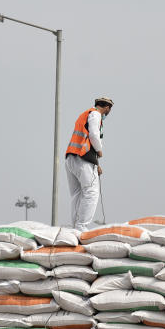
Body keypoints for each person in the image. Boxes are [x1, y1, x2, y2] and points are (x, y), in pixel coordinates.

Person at [65, 97, 113, 230]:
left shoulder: (84, 115)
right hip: (83, 159)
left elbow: (84, 140)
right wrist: (100, 151)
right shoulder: (96, 114)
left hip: (71, 157)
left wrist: (96, 164)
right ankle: (82, 226)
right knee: (91, 192)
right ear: (107, 108)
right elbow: (93, 135)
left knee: (77, 193)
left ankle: (75, 226)